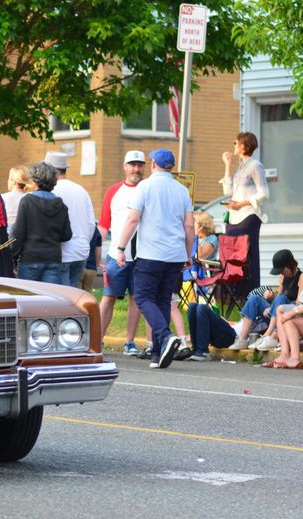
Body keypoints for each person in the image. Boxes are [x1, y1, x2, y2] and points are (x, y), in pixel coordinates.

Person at [115, 148, 194, 369]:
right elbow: (189, 225)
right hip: (175, 255)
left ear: (153, 165)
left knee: (142, 297)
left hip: (151, 254)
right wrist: (188, 254)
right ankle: (158, 354)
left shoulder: (145, 187)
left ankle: (165, 337)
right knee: (162, 300)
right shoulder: (182, 190)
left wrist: (121, 247)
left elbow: (132, 219)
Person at [99, 150, 147, 355]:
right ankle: (96, 340)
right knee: (108, 297)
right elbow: (103, 224)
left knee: (136, 299)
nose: (136, 169)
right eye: (132, 164)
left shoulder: (147, 190)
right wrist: (95, 254)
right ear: (125, 167)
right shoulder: (113, 191)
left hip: (142, 256)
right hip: (115, 256)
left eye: (140, 165)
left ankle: (130, 341)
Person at [221, 131, 268, 298]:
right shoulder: (241, 166)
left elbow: (264, 193)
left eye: (235, 143)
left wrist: (241, 204)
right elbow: (228, 191)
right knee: (231, 253)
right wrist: (227, 165)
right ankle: (231, 295)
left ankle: (250, 294)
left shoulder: (255, 165)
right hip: (234, 217)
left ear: (243, 145)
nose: (233, 145)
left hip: (249, 216)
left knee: (247, 255)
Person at [231, 249, 303, 351]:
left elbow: (300, 303)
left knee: (281, 299)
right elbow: (279, 297)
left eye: (282, 270)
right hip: (276, 316)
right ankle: (243, 338)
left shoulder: (302, 277)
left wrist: (275, 306)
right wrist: (272, 301)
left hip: (290, 317)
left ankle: (268, 336)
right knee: (254, 299)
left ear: (289, 265)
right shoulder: (282, 277)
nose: (281, 273)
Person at [11, 161, 71, 284]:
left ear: (35, 181)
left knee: (28, 299)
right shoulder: (61, 205)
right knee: (49, 300)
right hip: (53, 260)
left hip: (30, 259)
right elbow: (67, 235)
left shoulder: (27, 201)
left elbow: (19, 233)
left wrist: (13, 257)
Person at [45, 152, 96, 288]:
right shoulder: (81, 190)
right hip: (81, 251)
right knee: (73, 292)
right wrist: (84, 241)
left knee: (63, 297)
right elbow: (91, 224)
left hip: (62, 252)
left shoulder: (51, 191)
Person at [266, 254, 303, 369]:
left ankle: (289, 356)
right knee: (284, 313)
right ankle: (289, 356)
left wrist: (293, 312)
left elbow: (301, 304)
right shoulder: (285, 278)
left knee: (286, 316)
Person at [0, 166, 34, 233]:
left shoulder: (2, 198)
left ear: (14, 181)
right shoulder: (32, 198)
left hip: (7, 237)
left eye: (9, 178)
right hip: (26, 236)